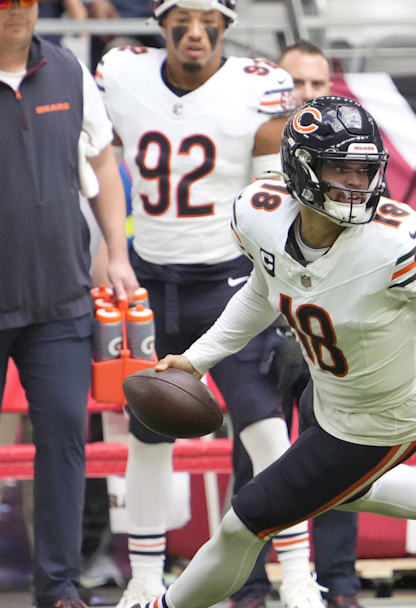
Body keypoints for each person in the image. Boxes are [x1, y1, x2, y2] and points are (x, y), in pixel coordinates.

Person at [128, 95, 416, 608]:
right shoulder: (260, 213)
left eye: (365, 170)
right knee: (346, 490)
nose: (357, 184)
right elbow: (263, 288)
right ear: (301, 168)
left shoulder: (393, 243)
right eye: (341, 168)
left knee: (242, 523)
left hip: (380, 423)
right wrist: (197, 359)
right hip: (330, 394)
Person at [93, 2, 324, 607]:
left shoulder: (260, 84)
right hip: (147, 278)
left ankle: (298, 572)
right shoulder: (121, 71)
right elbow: (99, 155)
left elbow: (274, 197)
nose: (195, 34)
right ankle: (144, 575)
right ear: (162, 20)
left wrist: (284, 288)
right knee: (147, 430)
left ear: (226, 24)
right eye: (183, 20)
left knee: (265, 427)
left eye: (208, 21)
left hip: (226, 280)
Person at [0, 1, 138, 607]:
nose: (13, 13)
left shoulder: (68, 71)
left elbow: (103, 160)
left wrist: (118, 252)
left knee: (64, 437)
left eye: (24, 2)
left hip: (60, 299)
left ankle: (57, 587)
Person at [226, 39, 366, 608]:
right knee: (256, 455)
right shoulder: (253, 143)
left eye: (316, 85)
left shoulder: (349, 163)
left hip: (329, 324)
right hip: (264, 314)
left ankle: (340, 583)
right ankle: (250, 585)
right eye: (295, 84)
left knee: (337, 453)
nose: (305, 96)